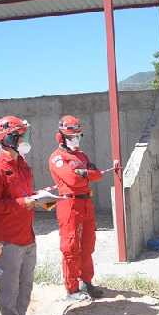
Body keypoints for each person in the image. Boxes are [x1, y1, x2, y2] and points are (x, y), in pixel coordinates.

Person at [0, 116, 43, 315]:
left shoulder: (23, 164)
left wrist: (38, 200)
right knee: (8, 288)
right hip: (6, 240)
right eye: (21, 135)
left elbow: (25, 194)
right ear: (8, 138)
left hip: (27, 235)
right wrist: (22, 202)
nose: (25, 139)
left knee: (25, 284)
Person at [49, 115, 107, 301]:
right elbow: (73, 180)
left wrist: (84, 173)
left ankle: (86, 282)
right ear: (62, 137)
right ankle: (72, 289)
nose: (76, 140)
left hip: (86, 202)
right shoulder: (58, 157)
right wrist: (85, 174)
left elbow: (98, 175)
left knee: (88, 244)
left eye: (78, 136)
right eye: (72, 136)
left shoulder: (81, 155)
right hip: (69, 204)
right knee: (70, 246)